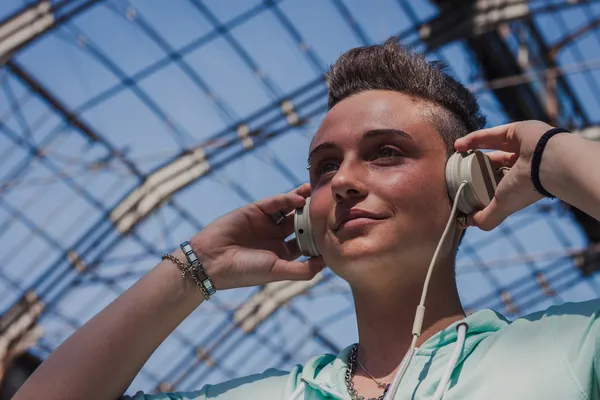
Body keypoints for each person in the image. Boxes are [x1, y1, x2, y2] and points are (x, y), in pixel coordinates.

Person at [12, 37, 600, 400]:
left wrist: (554, 157)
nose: (342, 180)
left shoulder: (572, 349)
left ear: (465, 185)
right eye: (323, 166)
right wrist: (197, 269)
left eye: (386, 152)